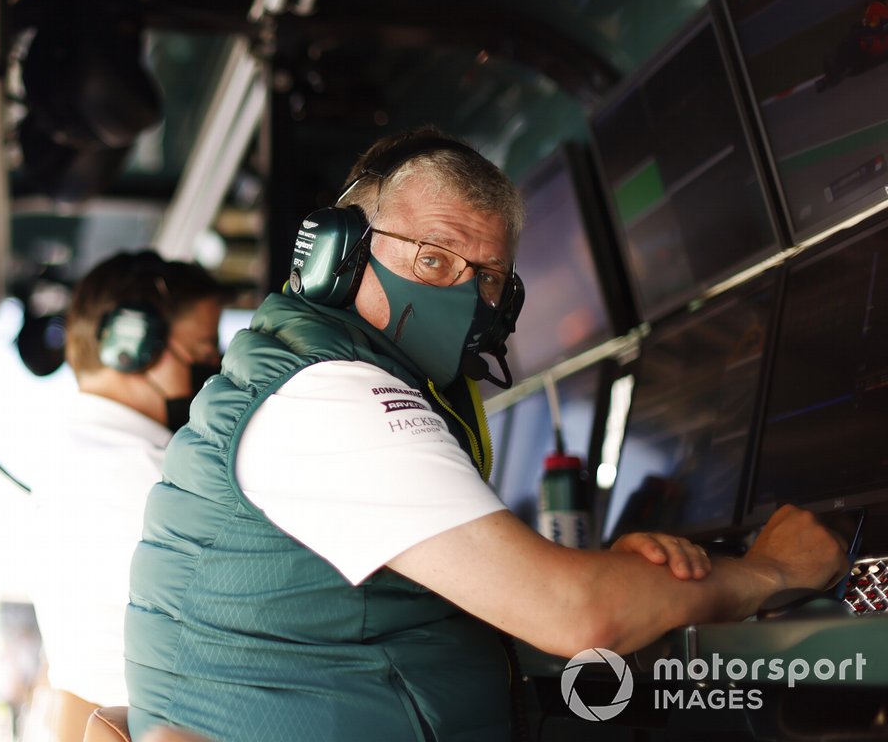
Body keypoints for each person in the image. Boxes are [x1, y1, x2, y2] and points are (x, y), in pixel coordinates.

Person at [124, 129, 848, 741]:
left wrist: (623, 578)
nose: (462, 294)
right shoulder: (328, 396)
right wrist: (769, 573)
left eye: (489, 277)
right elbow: (577, 616)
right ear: (336, 256)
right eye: (432, 258)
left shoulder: (312, 377)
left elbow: (532, 599)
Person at [27, 250, 230, 742]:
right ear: (132, 345)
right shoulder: (158, 473)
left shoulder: (63, 461)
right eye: (203, 349)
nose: (214, 366)